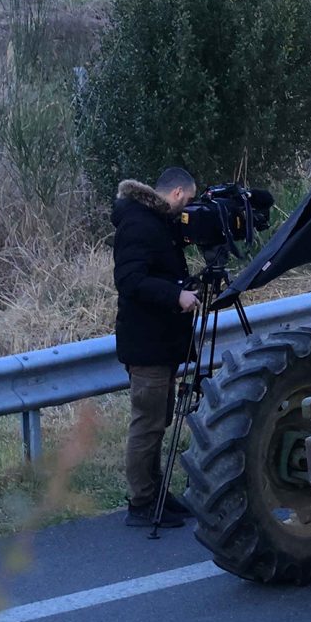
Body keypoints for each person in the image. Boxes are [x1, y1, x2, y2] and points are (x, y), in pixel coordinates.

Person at [112, 168, 200, 530]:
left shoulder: (156, 222)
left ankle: (157, 494)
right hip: (146, 343)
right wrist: (175, 294)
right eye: (190, 201)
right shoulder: (139, 224)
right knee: (147, 424)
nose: (189, 209)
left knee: (158, 420)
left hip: (160, 341)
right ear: (177, 193)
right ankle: (142, 501)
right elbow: (129, 280)